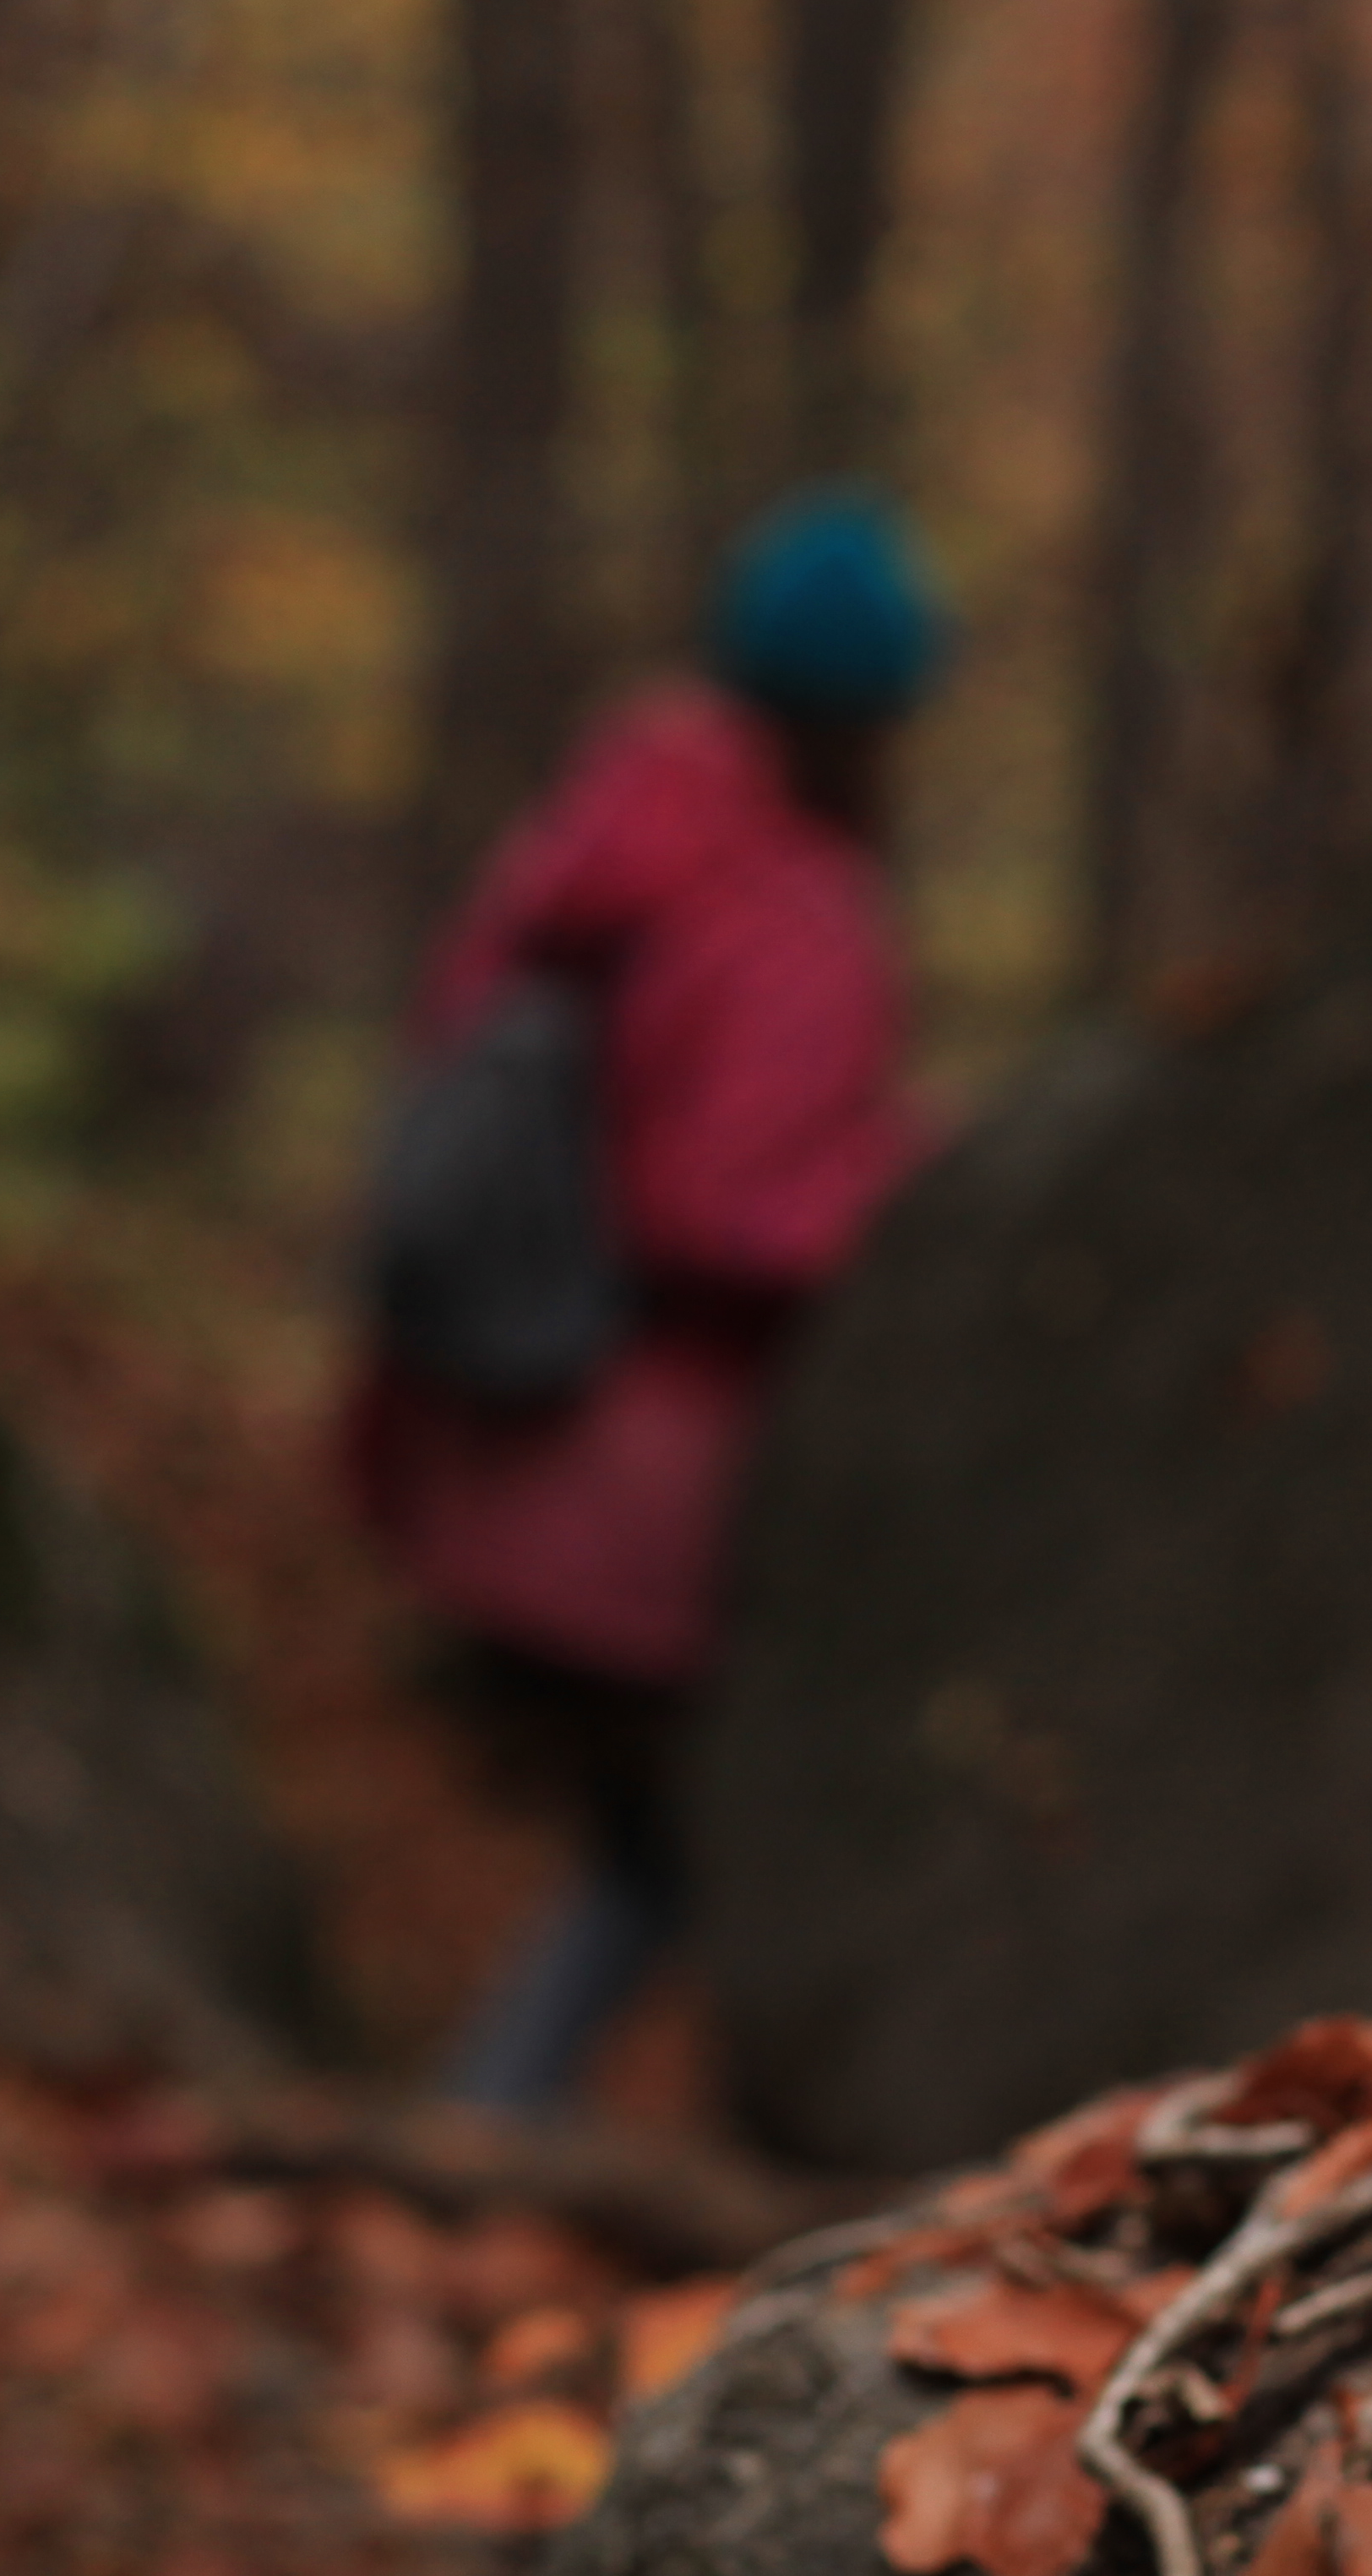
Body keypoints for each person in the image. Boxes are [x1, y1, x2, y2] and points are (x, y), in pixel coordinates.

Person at [354, 491, 944, 2111]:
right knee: (679, 1851)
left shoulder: (601, 833)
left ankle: (490, 2124)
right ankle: (489, 2131)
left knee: (643, 1846)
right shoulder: (786, 901)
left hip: (503, 1430)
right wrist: (921, 1181)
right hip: (640, 1474)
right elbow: (722, 1202)